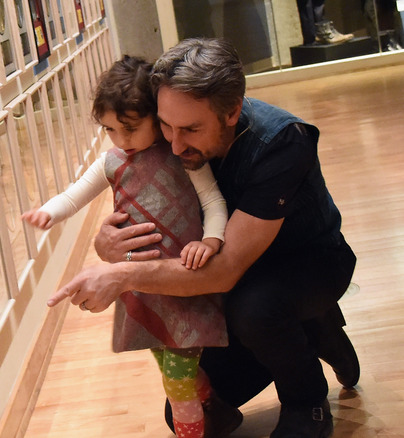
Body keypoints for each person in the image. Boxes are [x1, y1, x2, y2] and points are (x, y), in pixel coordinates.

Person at [47, 38, 359, 438]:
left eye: (191, 129)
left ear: (232, 112)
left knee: (257, 309)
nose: (174, 145)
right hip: (231, 289)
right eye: (164, 125)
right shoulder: (167, 137)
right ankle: (314, 330)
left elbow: (224, 271)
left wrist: (121, 277)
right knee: (193, 409)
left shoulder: (282, 141)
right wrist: (108, 244)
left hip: (307, 264)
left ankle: (307, 398)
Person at [24, 55, 239, 438]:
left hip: (185, 285)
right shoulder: (111, 162)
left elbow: (213, 202)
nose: (121, 140)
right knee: (170, 366)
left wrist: (211, 239)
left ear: (155, 118)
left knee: (176, 385)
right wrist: (48, 213)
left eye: (130, 128)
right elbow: (74, 197)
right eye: (110, 130)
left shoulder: (183, 157)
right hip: (143, 289)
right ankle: (218, 411)